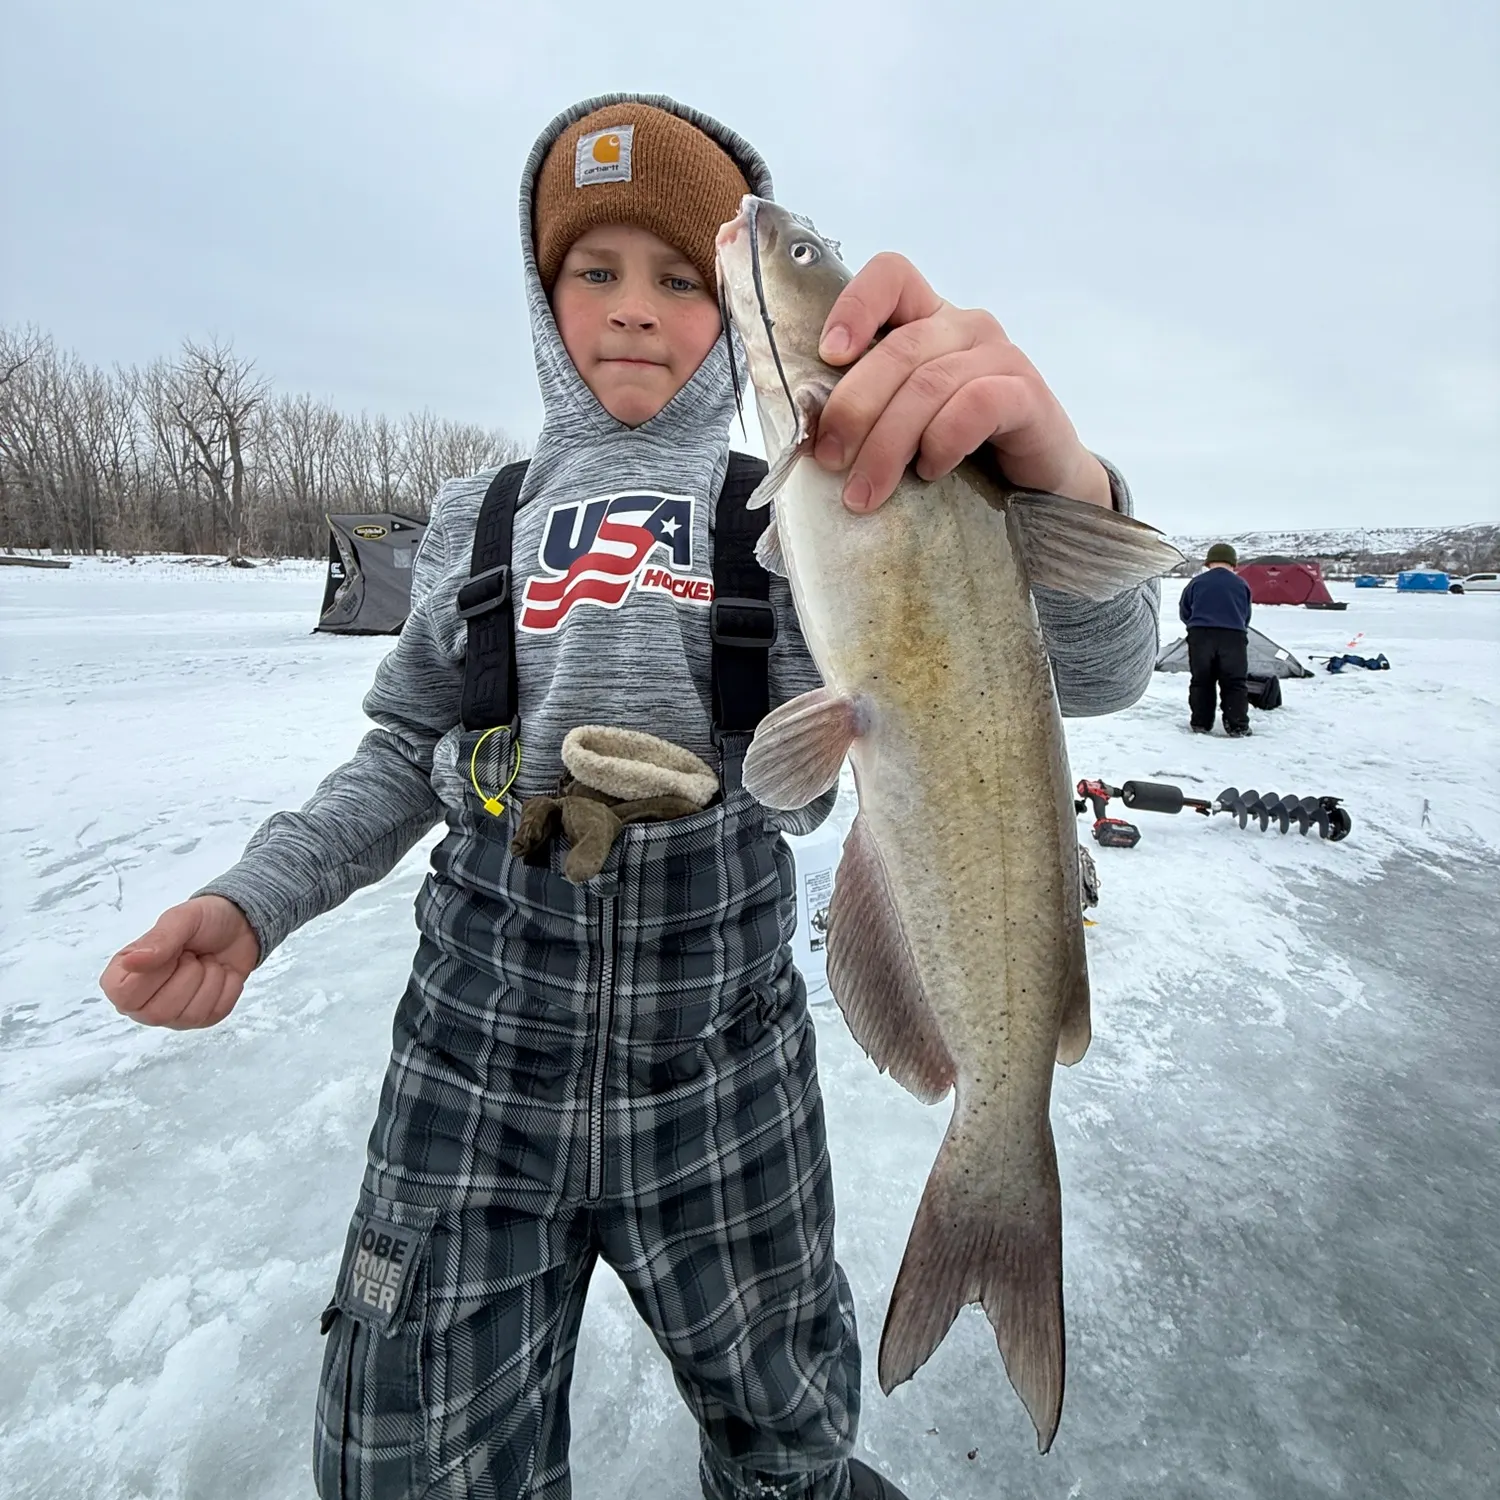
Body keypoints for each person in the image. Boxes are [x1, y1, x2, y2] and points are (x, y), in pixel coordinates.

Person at [98, 94, 1161, 1500]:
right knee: (401, 1456)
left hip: (721, 1065)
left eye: (675, 277)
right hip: (472, 1067)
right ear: (544, 302)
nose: (635, 310)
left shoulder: (808, 509)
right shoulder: (476, 517)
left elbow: (1075, 669)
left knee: (790, 1439)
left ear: (731, 310)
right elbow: (397, 753)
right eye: (593, 271)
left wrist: (1055, 478)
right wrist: (257, 899)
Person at [1179, 542, 1254, 736]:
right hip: (1233, 637)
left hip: (1201, 635)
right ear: (1232, 563)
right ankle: (1237, 726)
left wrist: (1196, 627)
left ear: (1209, 562)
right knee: (1235, 682)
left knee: (1201, 680)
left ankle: (1200, 723)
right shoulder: (1241, 584)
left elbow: (1185, 610)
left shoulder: (1196, 582)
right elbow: (1246, 614)